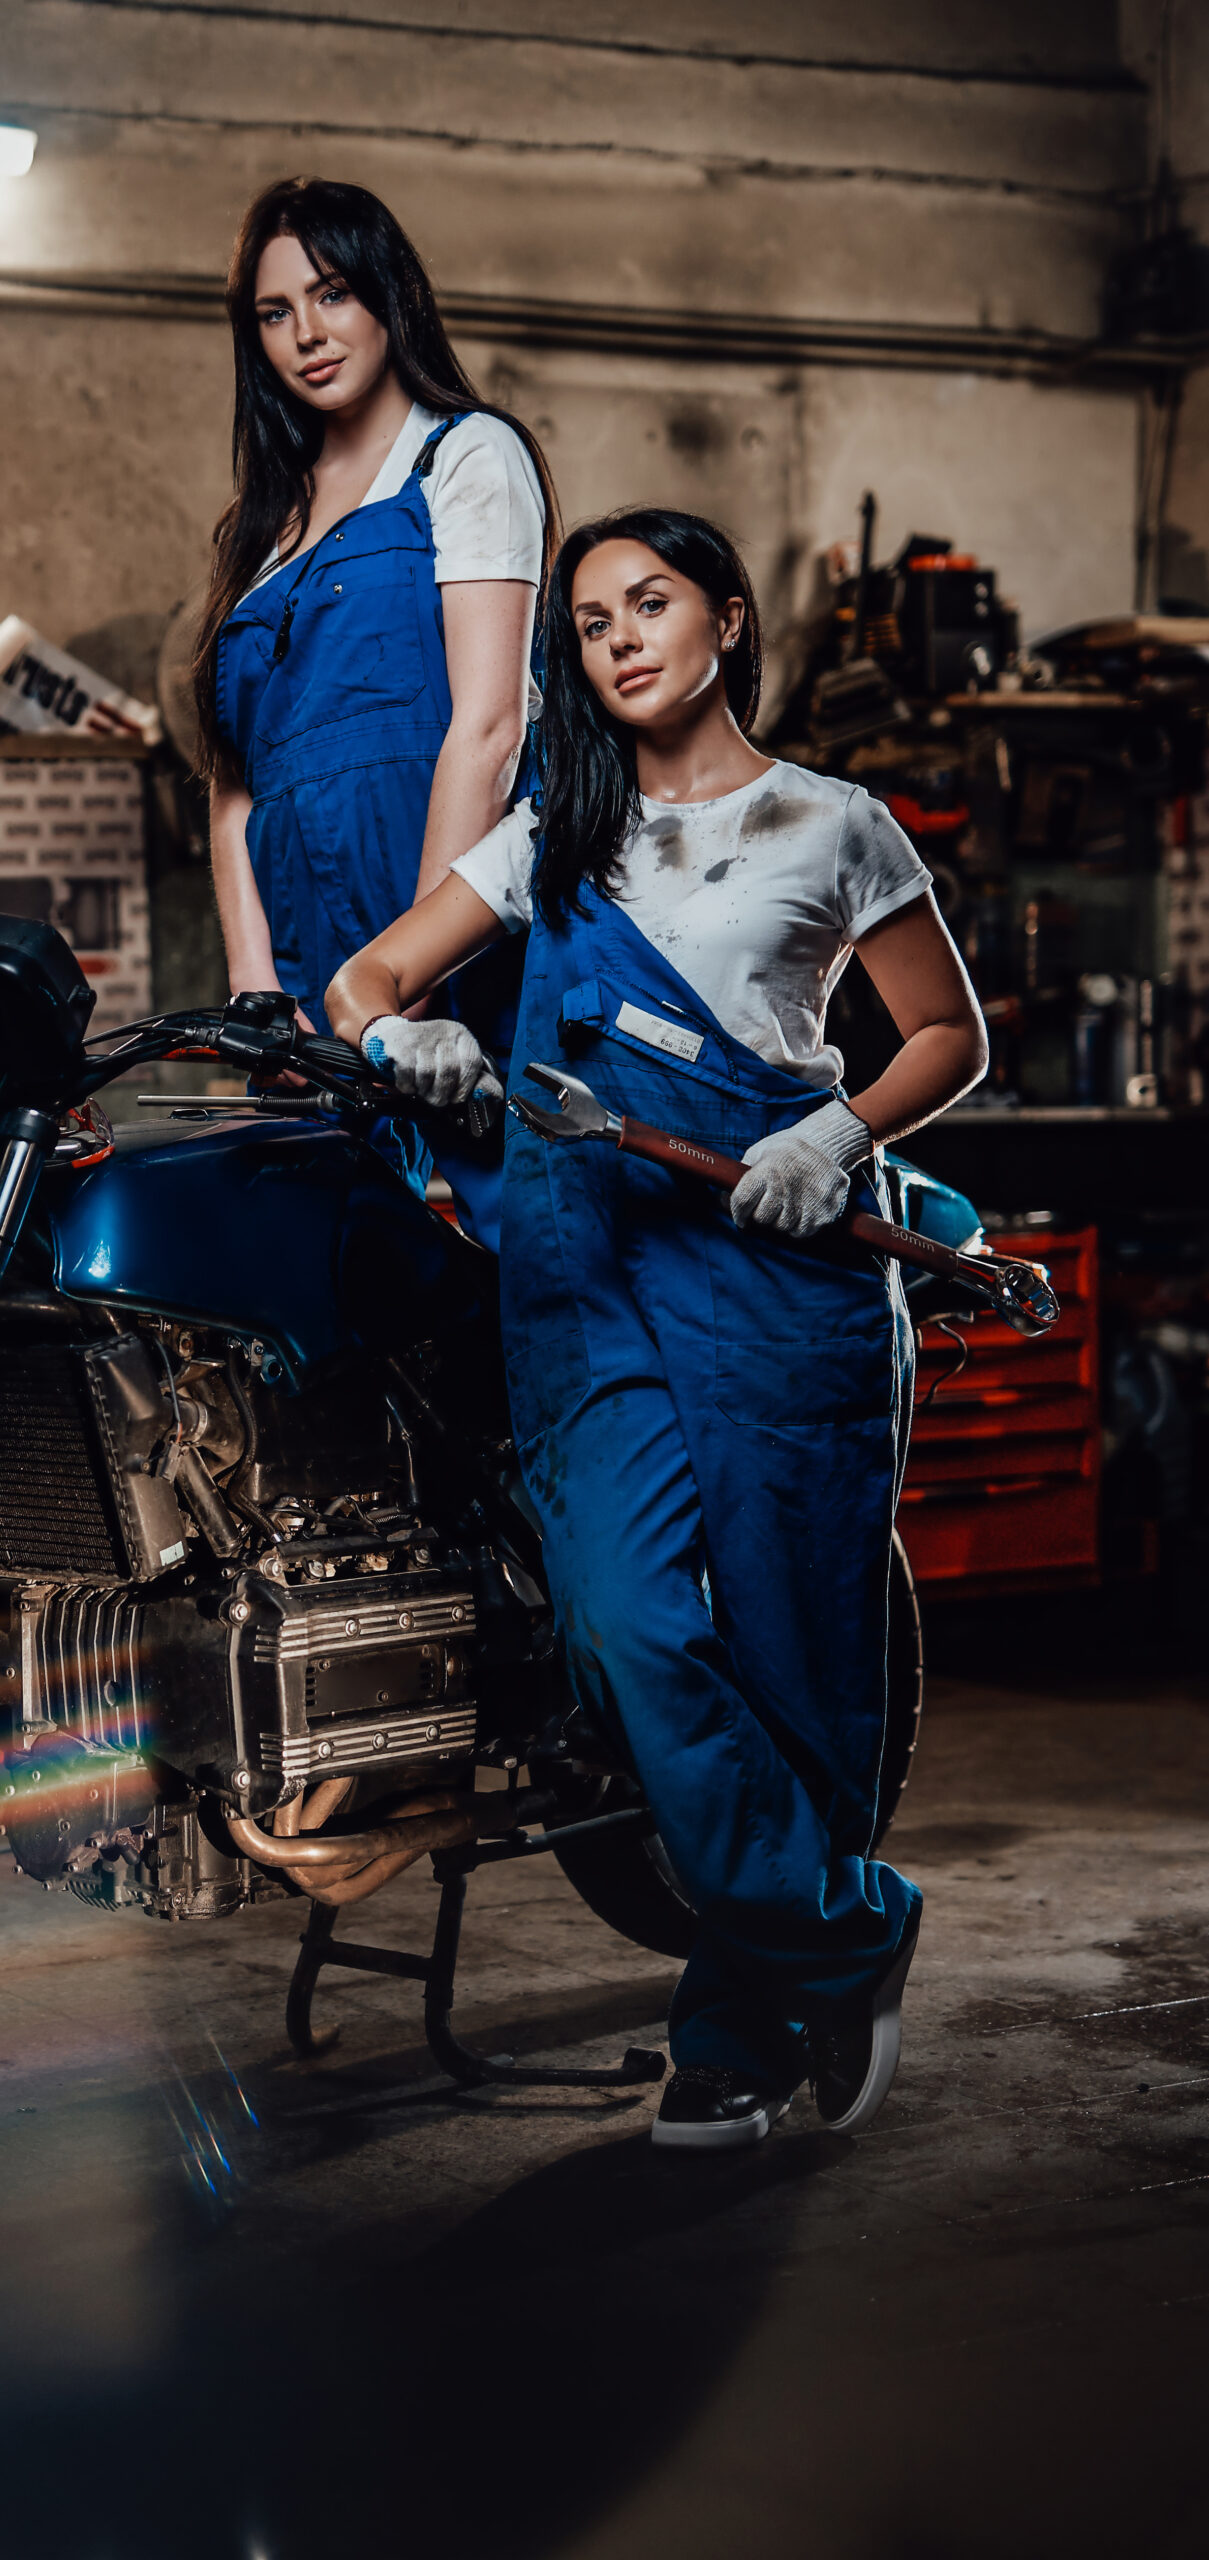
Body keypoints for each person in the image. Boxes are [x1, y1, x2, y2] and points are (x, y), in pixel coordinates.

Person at [325, 507, 989, 2150]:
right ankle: (838, 1932)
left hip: (778, 1282)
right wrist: (402, 1042)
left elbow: (941, 1035)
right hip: (588, 1281)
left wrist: (832, 1138)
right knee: (625, 1630)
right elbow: (364, 980)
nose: (618, 636)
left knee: (794, 1658)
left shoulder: (832, 823)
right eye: (591, 618)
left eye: (650, 602)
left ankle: (738, 2016)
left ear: (729, 623)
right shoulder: (554, 831)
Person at [193, 175, 554, 1243]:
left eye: (332, 293)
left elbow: (486, 729)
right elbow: (232, 794)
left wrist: (409, 981)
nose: (305, 332)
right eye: (273, 311)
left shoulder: (464, 454)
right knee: (322, 1285)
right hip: (308, 975)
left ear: (387, 295)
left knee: (529, 1250)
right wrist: (258, 995)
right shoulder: (262, 530)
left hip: (458, 941)